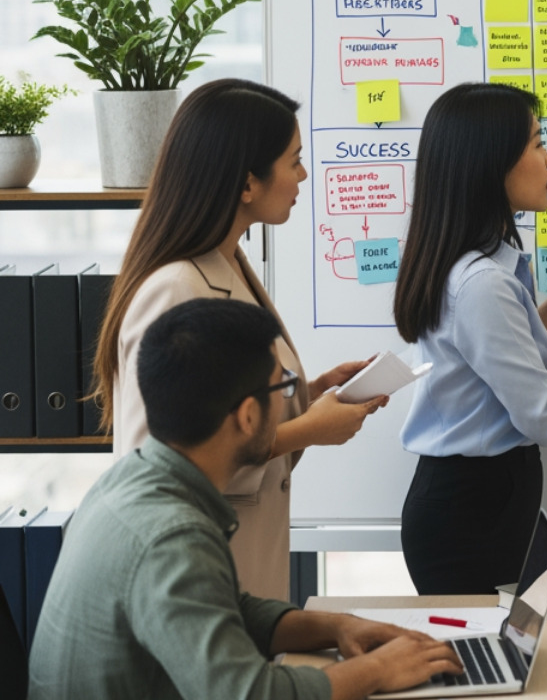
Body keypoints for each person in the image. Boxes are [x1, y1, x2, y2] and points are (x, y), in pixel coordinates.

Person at [29, 298, 463, 700]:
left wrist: (338, 625)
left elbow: (223, 608)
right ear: (248, 416)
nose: (293, 401)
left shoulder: (136, 478)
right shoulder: (171, 536)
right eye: (284, 389)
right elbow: (247, 693)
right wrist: (376, 672)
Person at [94, 78, 387, 600]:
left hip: (242, 571)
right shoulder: (176, 290)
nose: (303, 175)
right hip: (193, 583)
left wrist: (310, 395)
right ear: (247, 182)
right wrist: (307, 431)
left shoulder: (229, 262)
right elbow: (159, 466)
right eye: (294, 160)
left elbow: (223, 408)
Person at [394, 82, 547, 594]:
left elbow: (486, 358)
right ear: (493, 164)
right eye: (537, 144)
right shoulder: (483, 282)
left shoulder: (473, 263)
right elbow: (544, 416)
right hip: (469, 519)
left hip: (478, 504)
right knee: (491, 666)